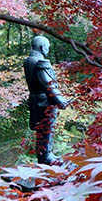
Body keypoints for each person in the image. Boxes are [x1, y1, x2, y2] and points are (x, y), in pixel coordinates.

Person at [23, 34, 68, 165]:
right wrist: (60, 101)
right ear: (43, 47)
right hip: (45, 101)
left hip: (34, 100)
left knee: (40, 130)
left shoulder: (28, 61)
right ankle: (46, 156)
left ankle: (44, 155)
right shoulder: (41, 62)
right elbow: (48, 85)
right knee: (47, 128)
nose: (48, 49)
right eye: (47, 47)